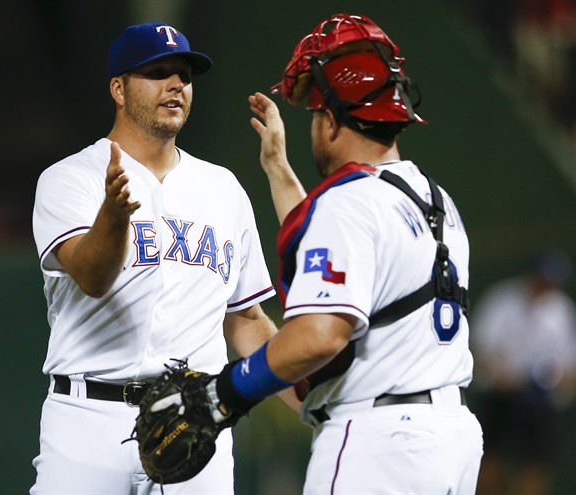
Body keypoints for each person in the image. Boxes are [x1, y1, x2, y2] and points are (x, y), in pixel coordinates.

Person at [205, 13, 484, 494]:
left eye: (315, 116)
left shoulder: (350, 204)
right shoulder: (432, 199)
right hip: (449, 438)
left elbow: (319, 336)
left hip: (378, 440)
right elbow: (336, 252)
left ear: (331, 121)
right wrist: (278, 168)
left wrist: (224, 392)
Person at [30, 22, 289, 495]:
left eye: (184, 75)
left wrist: (306, 394)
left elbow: (246, 319)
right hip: (88, 419)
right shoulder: (70, 179)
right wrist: (111, 216)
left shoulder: (223, 188)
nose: (176, 85)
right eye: (156, 72)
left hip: (195, 421)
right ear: (119, 89)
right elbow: (90, 275)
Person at [471, 248, 576, 495]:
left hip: (540, 400)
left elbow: (569, 365)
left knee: (535, 466)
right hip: (500, 395)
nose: (545, 286)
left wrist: (555, 383)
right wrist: (503, 377)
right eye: (541, 279)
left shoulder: (561, 309)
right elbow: (482, 348)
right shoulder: (503, 299)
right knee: (489, 461)